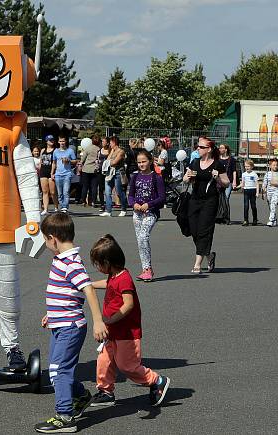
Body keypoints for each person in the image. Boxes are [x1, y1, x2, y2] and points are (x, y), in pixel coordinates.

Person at [35, 212, 107, 433]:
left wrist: (98, 321)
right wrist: (53, 314)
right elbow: (66, 293)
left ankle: (65, 416)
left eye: (45, 239)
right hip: (61, 323)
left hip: (70, 327)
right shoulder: (62, 259)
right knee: (60, 369)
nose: (46, 244)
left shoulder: (72, 262)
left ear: (52, 238)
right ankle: (81, 396)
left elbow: (88, 290)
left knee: (58, 370)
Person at [87, 234, 171, 408]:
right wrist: (90, 284)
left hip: (126, 332)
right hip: (113, 331)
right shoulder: (114, 275)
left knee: (127, 366)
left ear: (109, 262)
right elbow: (108, 284)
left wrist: (112, 318)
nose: (97, 267)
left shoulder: (124, 278)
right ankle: (105, 391)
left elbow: (129, 304)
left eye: (99, 263)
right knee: (104, 360)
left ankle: (157, 380)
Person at [183, 136, 230, 274]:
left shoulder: (217, 164)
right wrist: (188, 177)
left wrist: (218, 178)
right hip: (194, 200)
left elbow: (226, 183)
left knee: (204, 230)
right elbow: (185, 179)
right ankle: (209, 255)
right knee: (194, 230)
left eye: (201, 147)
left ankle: (197, 264)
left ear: (209, 149)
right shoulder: (195, 162)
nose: (198, 148)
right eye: (197, 146)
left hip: (210, 201)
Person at [127, 150, 165, 282]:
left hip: (151, 213)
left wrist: (149, 205)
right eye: (139, 162)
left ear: (150, 161)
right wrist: (133, 204)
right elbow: (130, 195)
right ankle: (146, 269)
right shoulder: (135, 177)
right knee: (140, 242)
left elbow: (162, 198)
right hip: (137, 214)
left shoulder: (157, 177)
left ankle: (147, 269)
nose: (141, 164)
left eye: (144, 161)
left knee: (143, 237)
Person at [100, 136, 128, 217]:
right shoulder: (112, 150)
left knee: (119, 192)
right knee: (107, 192)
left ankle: (123, 209)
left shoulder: (121, 151)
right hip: (110, 173)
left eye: (111, 142)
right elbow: (108, 160)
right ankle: (108, 211)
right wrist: (111, 152)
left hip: (118, 172)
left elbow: (114, 162)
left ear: (114, 142)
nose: (110, 144)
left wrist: (109, 162)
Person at [51, 135, 77, 213]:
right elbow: (54, 163)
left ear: (65, 142)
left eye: (63, 141)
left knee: (66, 191)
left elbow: (75, 161)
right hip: (58, 174)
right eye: (60, 141)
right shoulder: (56, 151)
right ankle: (62, 205)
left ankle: (65, 207)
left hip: (67, 174)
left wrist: (68, 160)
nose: (62, 143)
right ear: (58, 142)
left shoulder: (70, 151)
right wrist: (52, 173)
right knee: (59, 193)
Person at [218, 143, 238, 224]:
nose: (220, 149)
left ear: (225, 150)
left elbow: (234, 171)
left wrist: (234, 181)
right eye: (219, 148)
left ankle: (226, 218)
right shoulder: (218, 159)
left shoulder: (231, 159)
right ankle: (220, 217)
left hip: (228, 182)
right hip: (219, 182)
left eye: (221, 148)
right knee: (219, 200)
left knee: (226, 199)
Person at [237, 159, 260, 226]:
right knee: (246, 206)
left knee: (253, 206)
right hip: (246, 191)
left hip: (253, 190)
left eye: (248, 166)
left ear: (252, 167)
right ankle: (245, 220)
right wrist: (237, 187)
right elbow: (243, 183)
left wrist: (257, 192)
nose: (247, 168)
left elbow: (257, 184)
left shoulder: (254, 174)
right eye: (245, 166)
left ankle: (255, 219)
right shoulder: (244, 174)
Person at [79, 135, 100, 207]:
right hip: (94, 169)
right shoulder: (99, 149)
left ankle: (83, 200)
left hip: (86, 169)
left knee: (85, 186)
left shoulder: (88, 148)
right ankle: (93, 201)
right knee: (94, 187)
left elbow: (83, 158)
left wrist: (80, 164)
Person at [262, 157, 278, 227]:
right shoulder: (267, 174)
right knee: (270, 207)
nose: (275, 166)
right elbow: (264, 184)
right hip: (269, 192)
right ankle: (274, 219)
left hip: (276, 192)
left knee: (273, 205)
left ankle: (270, 220)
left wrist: (275, 183)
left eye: (276, 165)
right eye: (274, 165)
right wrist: (263, 191)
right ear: (270, 166)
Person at [39, 135, 57, 214]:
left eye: (52, 140)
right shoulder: (43, 150)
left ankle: (56, 207)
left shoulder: (55, 150)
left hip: (51, 171)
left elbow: (54, 162)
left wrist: (53, 172)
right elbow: (41, 161)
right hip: (43, 171)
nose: (51, 141)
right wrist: (39, 169)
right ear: (46, 141)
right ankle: (45, 209)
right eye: (50, 140)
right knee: (44, 191)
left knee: (52, 192)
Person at [96, 137, 110, 208]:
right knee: (101, 188)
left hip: (108, 171)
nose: (102, 143)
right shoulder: (99, 151)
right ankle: (102, 204)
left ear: (107, 143)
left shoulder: (110, 151)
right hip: (100, 171)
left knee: (108, 188)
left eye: (104, 141)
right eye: (102, 141)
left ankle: (108, 203)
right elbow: (97, 160)